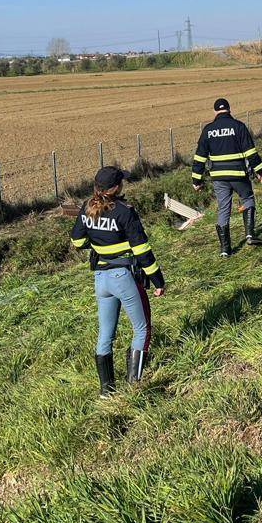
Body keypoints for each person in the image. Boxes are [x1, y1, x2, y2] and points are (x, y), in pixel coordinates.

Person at [70, 165, 165, 397]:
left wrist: (99, 246)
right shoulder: (125, 211)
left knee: (105, 335)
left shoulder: (87, 207)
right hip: (124, 277)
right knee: (141, 329)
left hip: (101, 279)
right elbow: (142, 249)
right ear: (116, 187)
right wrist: (157, 279)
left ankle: (106, 390)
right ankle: (134, 385)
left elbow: (77, 241)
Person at [192, 98, 262, 257]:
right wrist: (260, 171)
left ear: (215, 112)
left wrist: (196, 181)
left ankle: (225, 249)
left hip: (218, 178)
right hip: (239, 174)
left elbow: (199, 158)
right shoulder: (238, 127)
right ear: (229, 110)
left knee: (224, 209)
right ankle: (250, 235)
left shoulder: (208, 130)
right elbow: (251, 153)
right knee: (247, 199)